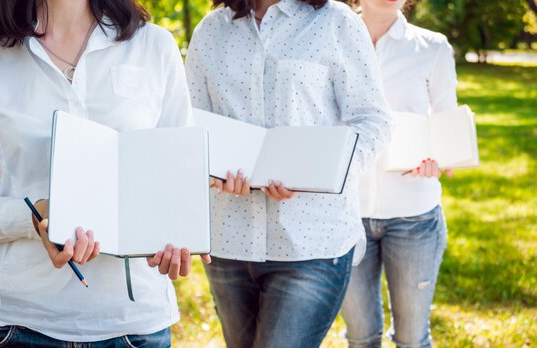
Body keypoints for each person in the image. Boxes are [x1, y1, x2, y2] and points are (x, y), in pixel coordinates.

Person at [0, 0, 210, 346]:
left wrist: (175, 233)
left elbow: (176, 177)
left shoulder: (154, 46)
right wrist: (35, 216)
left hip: (134, 322)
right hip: (17, 324)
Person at [185, 0, 392, 346]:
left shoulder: (335, 22)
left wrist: (317, 174)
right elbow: (191, 123)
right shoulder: (211, 30)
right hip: (228, 243)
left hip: (311, 243)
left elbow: (373, 120)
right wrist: (211, 170)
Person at [339, 0, 457, 347]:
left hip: (414, 216)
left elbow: (445, 123)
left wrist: (440, 156)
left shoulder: (432, 47)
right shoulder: (331, 37)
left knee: (411, 338)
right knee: (360, 336)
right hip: (347, 214)